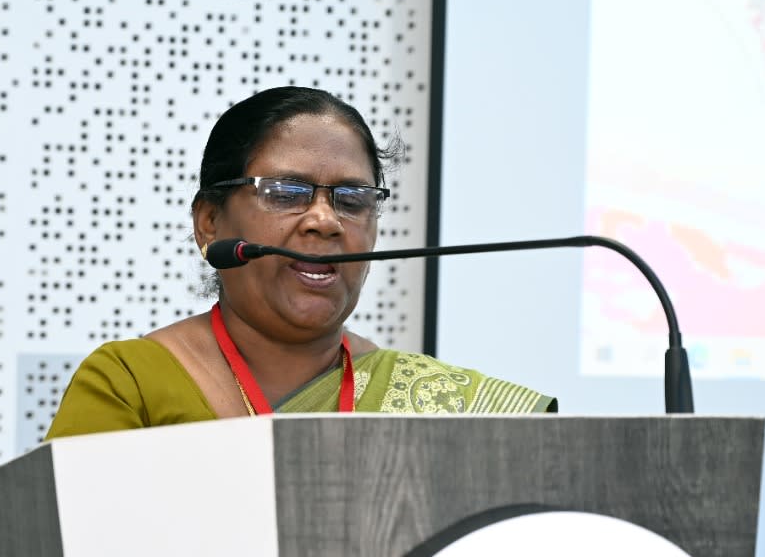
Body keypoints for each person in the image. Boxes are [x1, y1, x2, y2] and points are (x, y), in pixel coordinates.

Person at [46, 86, 554, 439]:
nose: (325, 221)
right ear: (210, 222)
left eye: (352, 199)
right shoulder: (130, 383)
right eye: (286, 192)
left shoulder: (444, 409)